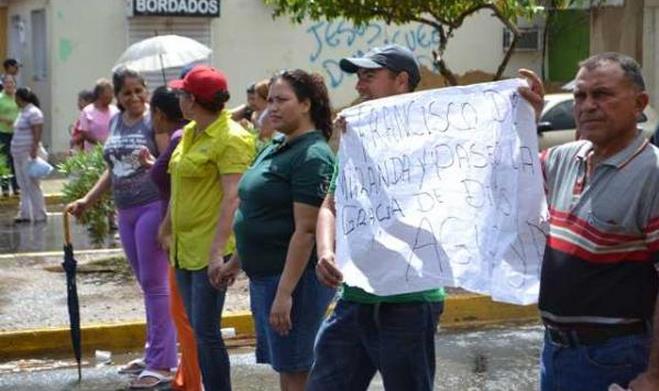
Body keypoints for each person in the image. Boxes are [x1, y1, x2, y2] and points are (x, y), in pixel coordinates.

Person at [306, 44, 445, 391]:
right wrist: (325, 250)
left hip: (409, 303)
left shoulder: (433, 138)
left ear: (401, 80)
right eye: (358, 77)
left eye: (369, 76)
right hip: (355, 298)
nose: (359, 86)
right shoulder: (357, 138)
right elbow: (331, 205)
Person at [519, 53, 659, 391]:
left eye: (602, 94)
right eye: (580, 96)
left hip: (613, 357)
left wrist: (655, 375)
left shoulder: (652, 174)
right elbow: (510, 178)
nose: (587, 105)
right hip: (555, 351)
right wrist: (525, 118)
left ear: (639, 103)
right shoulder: (565, 158)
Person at [219, 70, 336, 391]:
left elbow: (306, 232)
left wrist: (285, 295)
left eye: (282, 100)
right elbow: (259, 213)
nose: (272, 107)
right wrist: (235, 262)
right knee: (287, 365)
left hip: (295, 282)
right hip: (267, 278)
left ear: (306, 104)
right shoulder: (276, 146)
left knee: (295, 370)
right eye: (269, 100)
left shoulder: (312, 156)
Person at [66, 68, 177, 389]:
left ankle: (162, 364)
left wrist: (168, 221)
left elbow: (167, 167)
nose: (135, 98)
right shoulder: (116, 120)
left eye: (139, 91)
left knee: (156, 285)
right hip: (125, 210)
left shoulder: (152, 123)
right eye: (127, 93)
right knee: (147, 284)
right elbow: (111, 169)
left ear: (147, 91)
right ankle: (153, 353)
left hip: (152, 207)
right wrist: (88, 199)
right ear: (117, 97)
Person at [164, 64, 254, 391]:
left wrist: (218, 253)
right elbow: (180, 188)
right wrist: (166, 227)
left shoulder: (231, 138)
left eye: (182, 93)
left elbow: (233, 197)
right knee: (195, 330)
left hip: (208, 250)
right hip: (183, 247)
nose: (178, 98)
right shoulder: (191, 131)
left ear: (193, 100)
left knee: (205, 331)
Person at [139, 85, 201, 391]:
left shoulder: (179, 138)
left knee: (184, 312)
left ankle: (193, 380)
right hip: (179, 229)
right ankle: (187, 377)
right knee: (183, 311)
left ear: (159, 114)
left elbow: (178, 187)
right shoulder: (185, 137)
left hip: (179, 231)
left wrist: (165, 227)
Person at [10, 87, 46, 223]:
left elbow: (37, 132)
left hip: (28, 154)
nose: (15, 100)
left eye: (16, 97)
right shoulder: (22, 112)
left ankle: (40, 215)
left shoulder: (34, 112)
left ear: (20, 98)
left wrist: (34, 149)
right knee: (23, 185)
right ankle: (25, 213)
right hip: (18, 154)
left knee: (32, 184)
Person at [74, 78, 119, 151]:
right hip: (93, 155)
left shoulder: (116, 111)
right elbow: (85, 134)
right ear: (100, 94)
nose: (112, 96)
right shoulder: (87, 111)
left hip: (112, 152)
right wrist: (101, 143)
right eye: (110, 92)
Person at [0, 75, 20, 196]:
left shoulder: (18, 97)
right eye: (6, 82)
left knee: (16, 160)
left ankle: (16, 186)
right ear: (3, 84)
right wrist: (5, 119)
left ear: (14, 83)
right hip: (3, 133)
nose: (9, 85)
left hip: (17, 133)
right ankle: (5, 188)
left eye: (11, 82)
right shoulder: (1, 98)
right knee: (5, 160)